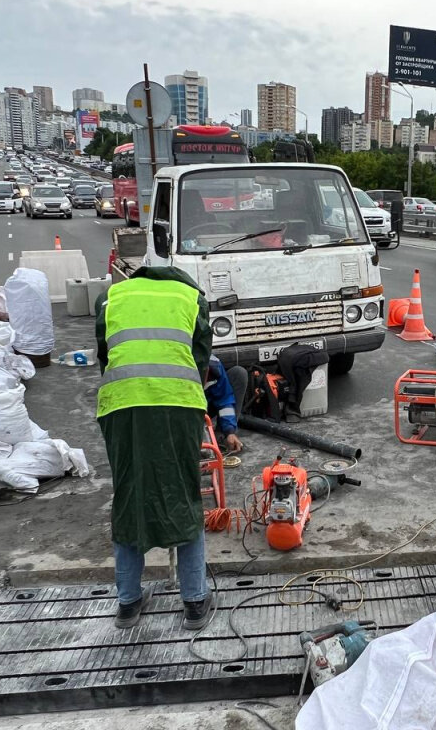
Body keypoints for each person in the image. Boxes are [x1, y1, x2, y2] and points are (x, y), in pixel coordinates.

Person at [95, 266, 214, 631]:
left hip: (121, 405)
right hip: (176, 405)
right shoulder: (191, 298)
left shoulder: (111, 297)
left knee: (129, 494)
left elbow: (106, 355)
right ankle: (194, 601)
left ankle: (128, 603)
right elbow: (200, 360)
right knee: (183, 490)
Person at [204, 355, 245, 453]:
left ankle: (222, 436)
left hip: (206, 405)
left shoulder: (214, 365)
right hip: (182, 410)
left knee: (239, 373)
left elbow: (224, 399)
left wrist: (229, 431)